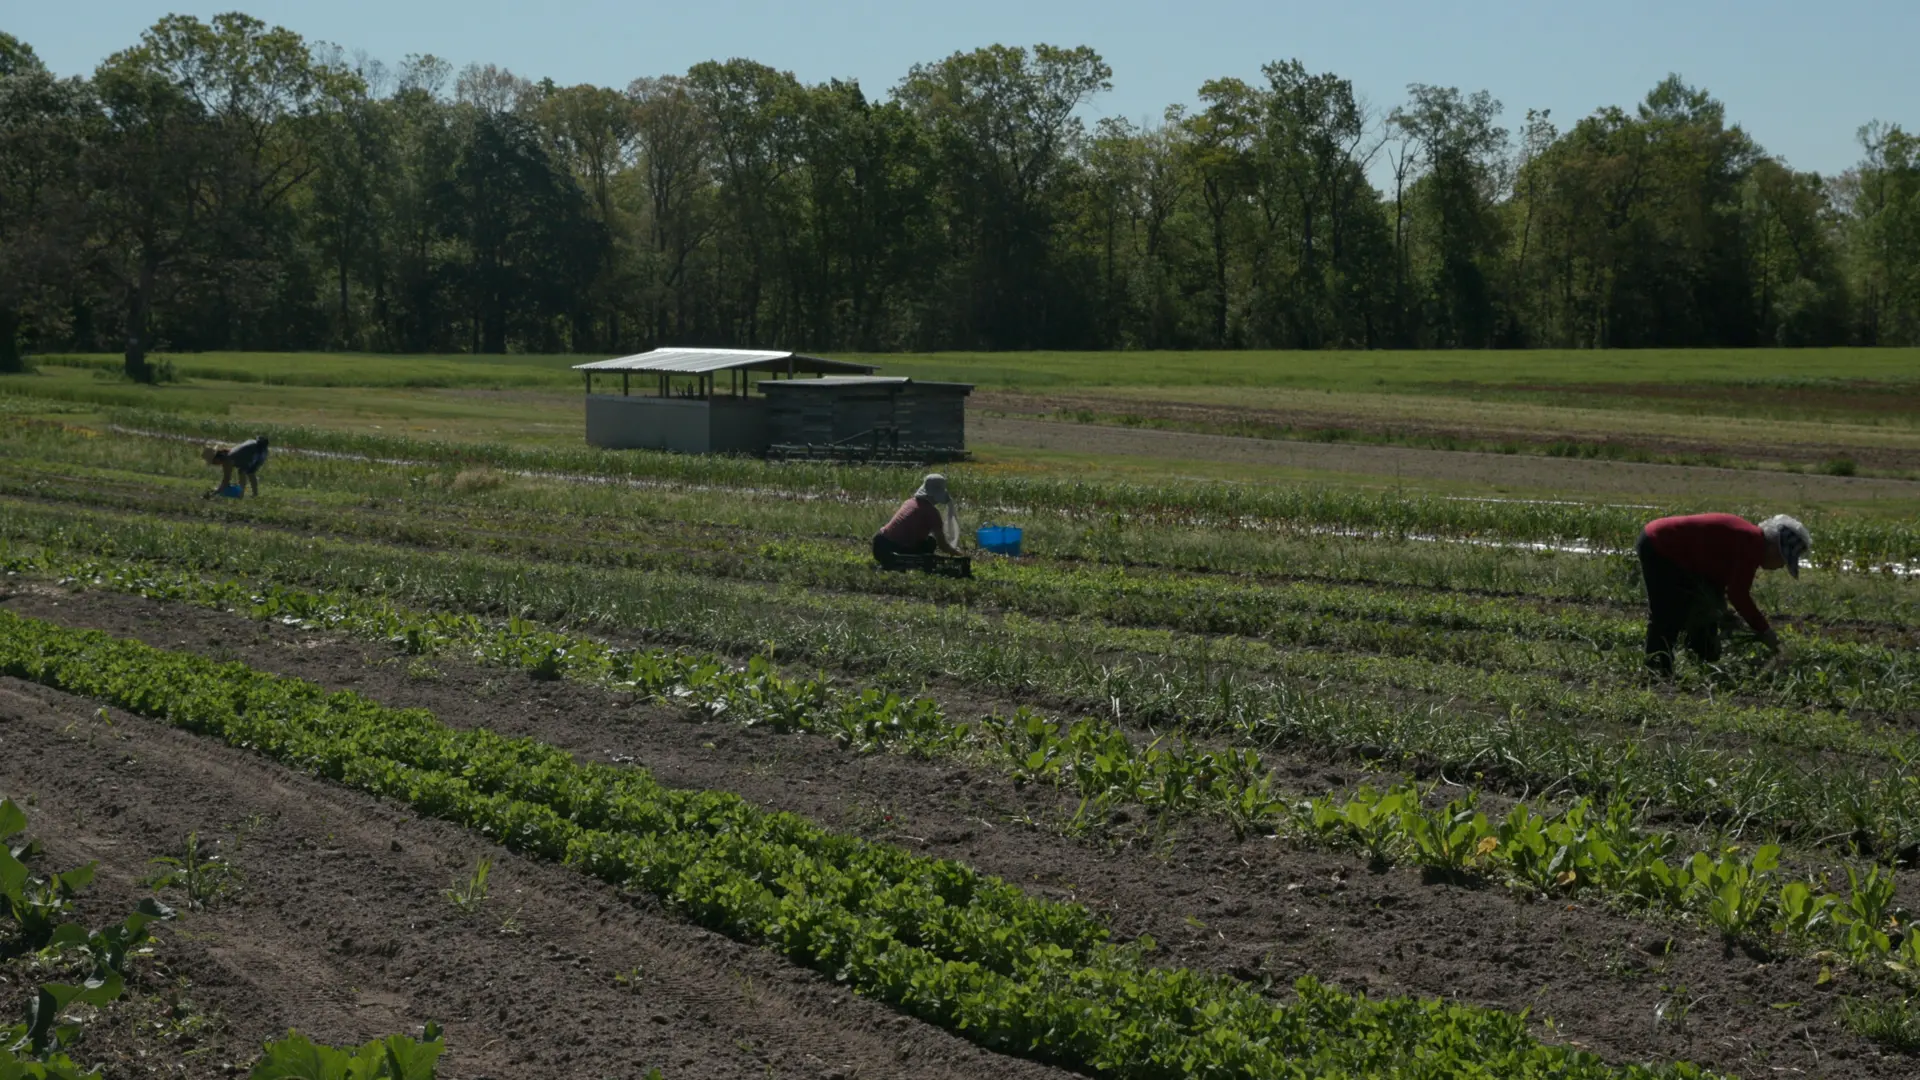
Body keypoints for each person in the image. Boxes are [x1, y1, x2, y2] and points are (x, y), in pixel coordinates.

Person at [1635, 512, 1809, 675]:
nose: (1780, 566)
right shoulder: (1751, 544)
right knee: (1668, 612)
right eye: (1782, 560)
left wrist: (1724, 613)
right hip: (1660, 544)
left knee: (1704, 611)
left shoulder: (1748, 540)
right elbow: (1738, 595)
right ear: (1774, 547)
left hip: (1682, 555)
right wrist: (1764, 631)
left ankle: (1701, 658)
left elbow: (1718, 584)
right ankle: (1657, 668)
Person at [873, 473, 962, 569]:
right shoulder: (932, 513)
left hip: (879, 544)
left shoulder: (910, 502)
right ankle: (903, 563)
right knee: (930, 543)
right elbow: (943, 545)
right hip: (893, 550)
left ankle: (891, 562)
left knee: (928, 540)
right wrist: (957, 553)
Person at [202, 435, 270, 497]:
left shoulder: (227, 460)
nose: (215, 465)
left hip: (253, 450)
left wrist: (213, 494)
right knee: (250, 472)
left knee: (242, 471)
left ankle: (241, 494)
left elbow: (226, 481)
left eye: (213, 462)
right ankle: (255, 494)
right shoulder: (231, 453)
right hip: (263, 450)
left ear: (216, 459)